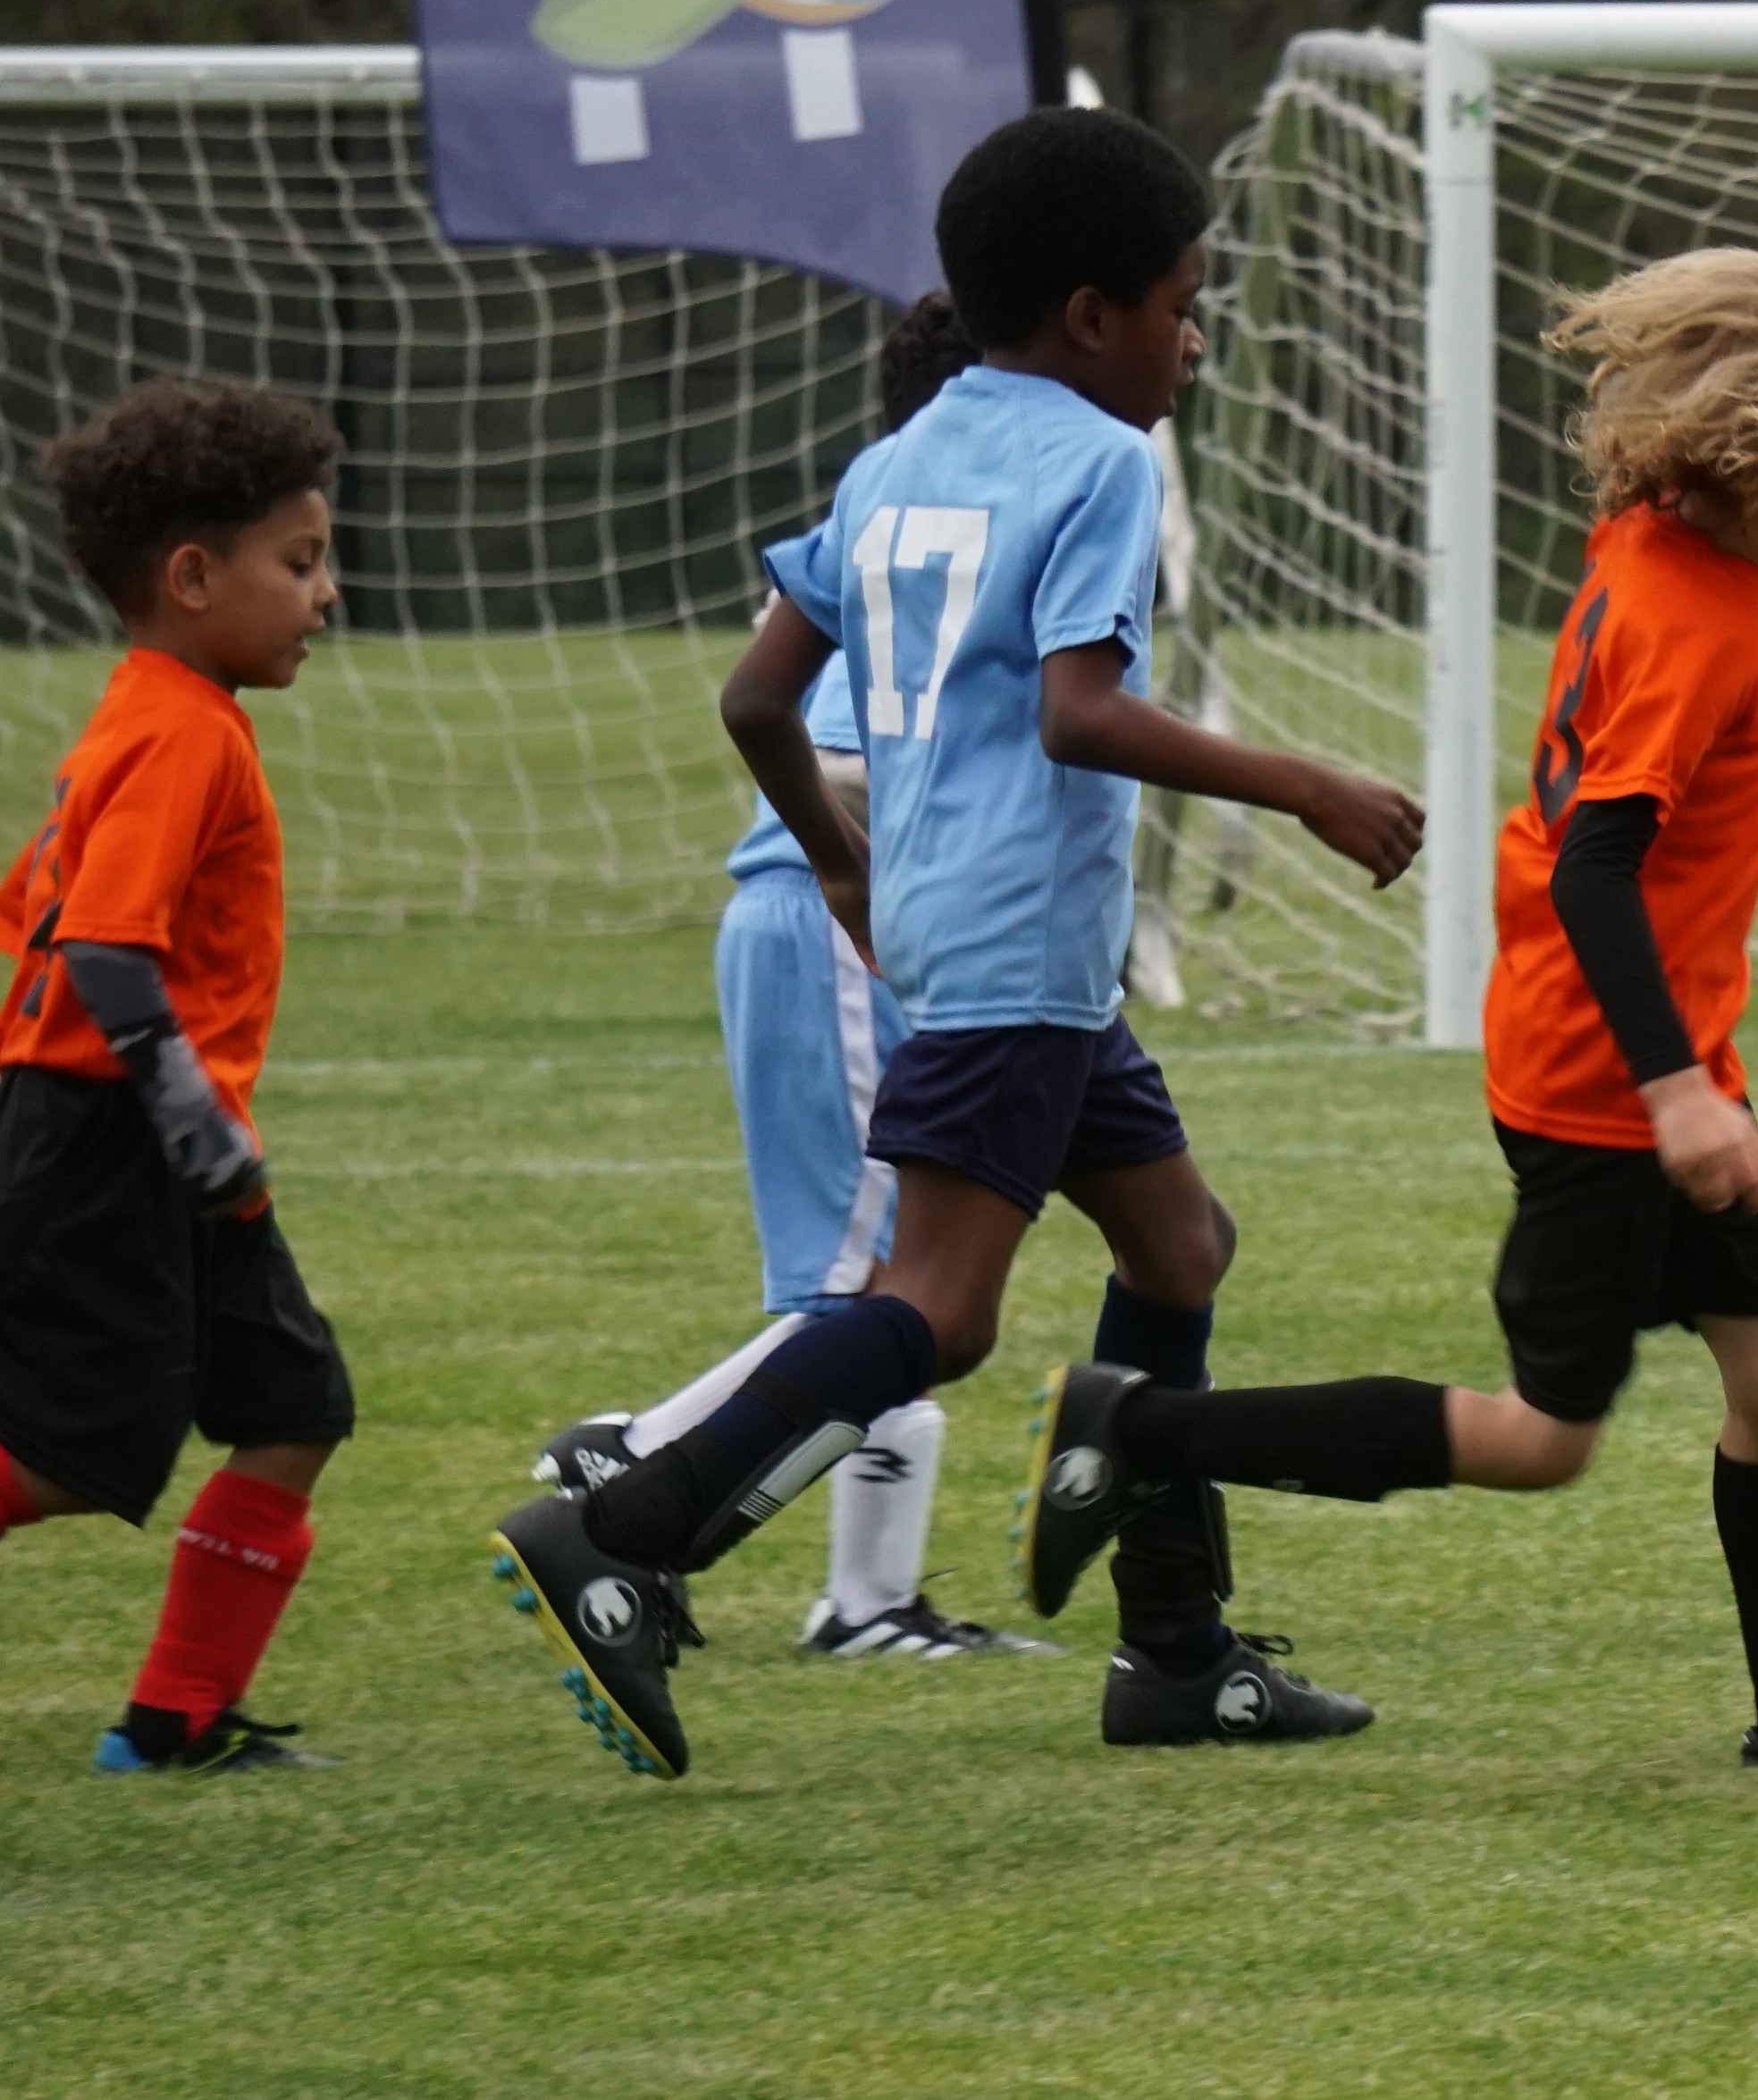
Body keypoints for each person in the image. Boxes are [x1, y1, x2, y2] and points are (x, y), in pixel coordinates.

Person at [487, 107, 1423, 1779]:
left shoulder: (898, 458)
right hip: (1011, 949)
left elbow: (755, 695)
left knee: (1180, 1248)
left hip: (981, 942)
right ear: (1090, 316)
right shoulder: (1101, 460)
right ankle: (625, 1534)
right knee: (944, 1307)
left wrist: (849, 869)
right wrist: (1303, 783)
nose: (1192, 337)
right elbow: (1078, 715)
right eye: (1181, 302)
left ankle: (1178, 1656)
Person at [1009, 248, 1758, 1767]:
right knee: (1542, 1442)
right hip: (1609, 1083)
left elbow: (1688, 761)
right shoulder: (1696, 612)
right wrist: (1674, 1097)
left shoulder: (1669, 552)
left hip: (1645, 1060)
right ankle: (1136, 1433)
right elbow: (1602, 863)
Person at [531, 295, 1045, 1661]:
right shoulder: (933, 542)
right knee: (881, 1290)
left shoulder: (890, 523)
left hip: (827, 921)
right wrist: (887, 864)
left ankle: (844, 1587)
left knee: (895, 1279)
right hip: (834, 921)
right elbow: (818, 744)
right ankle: (670, 1483)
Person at [0, 380, 352, 1772]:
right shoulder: (178, 732)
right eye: (302, 562)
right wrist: (186, 1113)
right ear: (195, 578)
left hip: (152, 1134)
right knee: (79, 1450)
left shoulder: (153, 714)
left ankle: (175, 1721)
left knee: (292, 1410)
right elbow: (101, 945)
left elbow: (32, 898)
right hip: (116, 1141)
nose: (326, 595)